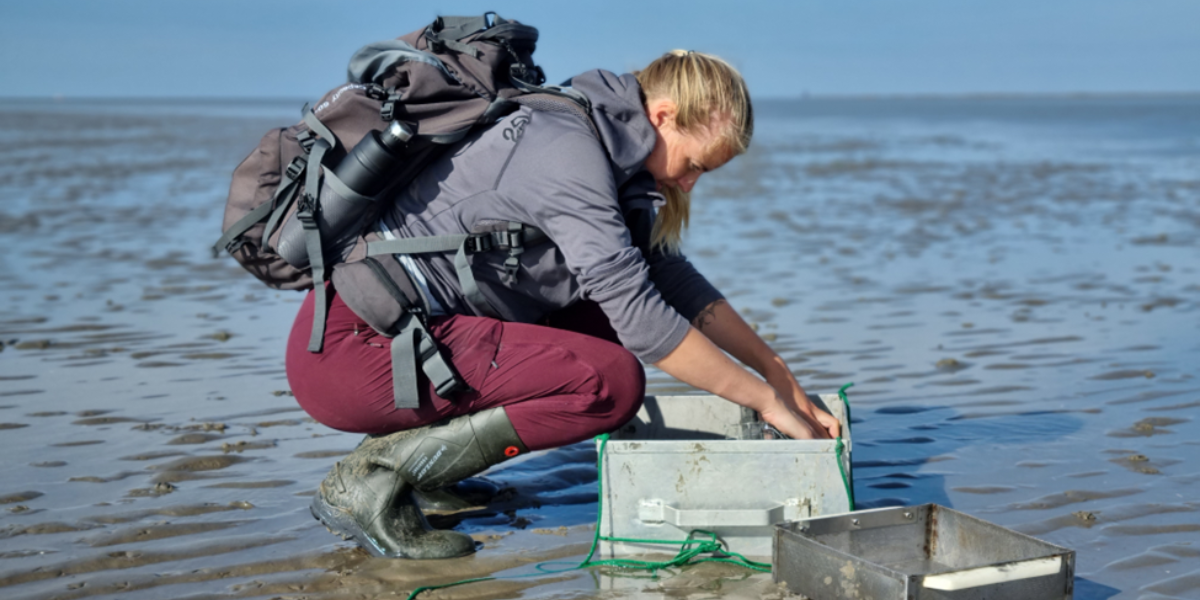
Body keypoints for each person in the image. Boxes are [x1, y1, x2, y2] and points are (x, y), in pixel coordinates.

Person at [285, 50, 841, 560]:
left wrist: (776, 371)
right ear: (665, 115)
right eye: (697, 164)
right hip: (354, 350)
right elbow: (646, 324)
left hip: (407, 333)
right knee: (611, 384)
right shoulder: (566, 151)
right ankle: (372, 478)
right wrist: (766, 403)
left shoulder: (602, 138)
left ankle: (430, 475)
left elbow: (666, 276)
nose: (691, 185)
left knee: (603, 327)